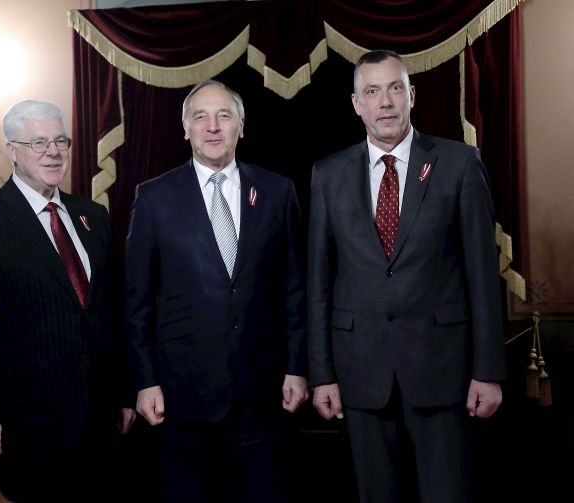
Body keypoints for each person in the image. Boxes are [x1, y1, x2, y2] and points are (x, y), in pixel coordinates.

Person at [307, 50, 506, 503]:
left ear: (411, 95)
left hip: (443, 371)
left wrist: (488, 372)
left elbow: (482, 276)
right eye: (372, 91)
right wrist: (321, 374)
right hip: (360, 373)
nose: (385, 102)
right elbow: (319, 284)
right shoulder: (328, 175)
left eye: (395, 88)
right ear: (356, 103)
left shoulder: (460, 163)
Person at [0, 100, 136, 502]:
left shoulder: (93, 217)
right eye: (39, 142)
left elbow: (112, 314)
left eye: (61, 141)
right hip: (22, 428)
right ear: (12, 150)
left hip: (99, 422)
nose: (53, 151)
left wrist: (124, 394)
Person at [124, 80, 308, 502]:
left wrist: (297, 368)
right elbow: (137, 304)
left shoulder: (278, 191)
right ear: (185, 128)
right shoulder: (153, 198)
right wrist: (145, 381)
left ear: (241, 126)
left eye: (224, 116)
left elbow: (295, 290)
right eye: (200, 117)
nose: (212, 127)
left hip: (262, 393)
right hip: (182, 396)